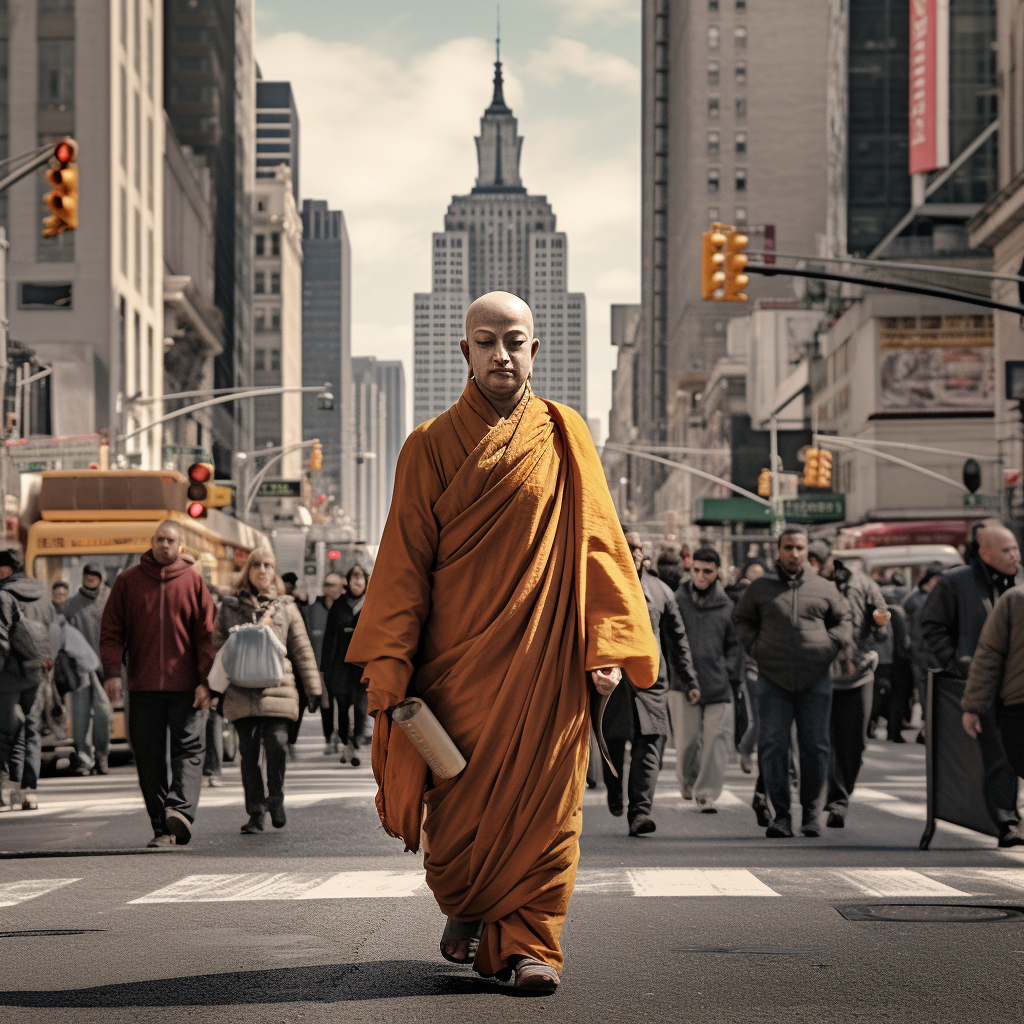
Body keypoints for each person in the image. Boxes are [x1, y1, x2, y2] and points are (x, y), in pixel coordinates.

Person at [345, 290, 658, 993]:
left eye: (514, 340)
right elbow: (402, 565)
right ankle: (467, 903)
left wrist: (605, 642)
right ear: (465, 351)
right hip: (455, 674)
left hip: (547, 666)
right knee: (455, 818)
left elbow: (600, 549)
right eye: (486, 341)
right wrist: (392, 663)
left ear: (535, 350)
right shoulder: (427, 446)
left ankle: (530, 945)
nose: (501, 354)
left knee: (549, 809)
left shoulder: (565, 433)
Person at [99, 519, 216, 848]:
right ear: (151, 543)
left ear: (181, 547)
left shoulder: (194, 582)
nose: (164, 545)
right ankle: (160, 827)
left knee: (190, 751)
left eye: (170, 540)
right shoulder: (128, 582)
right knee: (148, 757)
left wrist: (207, 682)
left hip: (187, 688)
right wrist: (111, 674)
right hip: (143, 686)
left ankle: (178, 811)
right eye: (159, 539)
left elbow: (207, 636)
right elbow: (111, 631)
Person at [733, 527, 853, 838]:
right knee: (773, 747)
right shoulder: (760, 588)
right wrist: (757, 649)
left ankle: (811, 815)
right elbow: (741, 619)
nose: (794, 554)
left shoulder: (824, 587)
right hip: (773, 681)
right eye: (789, 547)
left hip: (816, 680)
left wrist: (829, 647)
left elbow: (844, 620)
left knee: (815, 747)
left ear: (806, 551)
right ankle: (781, 817)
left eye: (799, 548)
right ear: (779, 550)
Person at [920, 520, 1024, 846]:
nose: (1015, 556)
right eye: (1006, 550)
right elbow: (932, 626)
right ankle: (1007, 822)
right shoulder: (956, 583)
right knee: (1001, 758)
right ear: (985, 552)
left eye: (1016, 548)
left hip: (1016, 687)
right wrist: (957, 661)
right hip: (981, 684)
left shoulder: (1019, 583)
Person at [212, 547, 321, 834]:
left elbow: (302, 649)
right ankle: (255, 812)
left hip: (278, 689)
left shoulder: (286, 606)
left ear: (274, 572)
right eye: (257, 565)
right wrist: (212, 688)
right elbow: (218, 648)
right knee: (248, 754)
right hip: (240, 689)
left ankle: (276, 797)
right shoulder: (230, 607)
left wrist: (314, 688)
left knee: (277, 744)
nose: (262, 570)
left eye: (268, 565)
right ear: (247, 571)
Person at [604, 533, 697, 833]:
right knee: (614, 743)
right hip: (612, 680)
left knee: (650, 744)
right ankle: (614, 792)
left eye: (639, 548)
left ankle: (640, 813)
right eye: (629, 547)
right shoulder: (600, 583)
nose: (635, 553)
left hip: (653, 681)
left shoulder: (661, 591)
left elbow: (678, 639)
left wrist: (689, 679)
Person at [807, 541, 889, 829]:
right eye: (809, 560)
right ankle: (829, 802)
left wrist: (881, 622)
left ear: (832, 559)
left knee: (853, 743)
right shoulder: (805, 586)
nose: (813, 566)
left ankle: (841, 798)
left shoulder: (862, 583)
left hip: (858, 675)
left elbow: (882, 630)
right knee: (820, 742)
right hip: (818, 676)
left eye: (818, 560)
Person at [672, 546, 738, 812]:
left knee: (716, 742)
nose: (701, 575)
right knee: (687, 742)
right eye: (696, 570)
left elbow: (735, 646)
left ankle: (707, 792)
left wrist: (729, 672)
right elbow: (669, 642)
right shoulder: (676, 600)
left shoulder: (727, 606)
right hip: (681, 682)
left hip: (717, 682)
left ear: (717, 572)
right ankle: (688, 783)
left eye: (707, 571)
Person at [0, 549, 57, 811]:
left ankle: (4, 788)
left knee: (5, 731)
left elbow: (1, 639)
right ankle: (28, 791)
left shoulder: (3, 593)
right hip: (37, 671)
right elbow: (53, 629)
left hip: (9, 674)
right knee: (31, 729)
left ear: (6, 569)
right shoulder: (43, 593)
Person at [962, 584, 1024, 785]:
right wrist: (973, 706)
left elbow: (990, 653)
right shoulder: (1015, 599)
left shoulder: (1015, 597)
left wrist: (973, 706)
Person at [62, 563, 113, 776]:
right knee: (80, 715)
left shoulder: (112, 599)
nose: (91, 579)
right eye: (88, 576)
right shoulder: (72, 604)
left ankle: (101, 756)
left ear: (101, 577)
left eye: (95, 575)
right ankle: (83, 757)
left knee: (103, 712)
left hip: (107, 666)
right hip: (81, 668)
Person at [321, 565, 370, 766]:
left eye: (361, 579)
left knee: (360, 707)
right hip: (340, 666)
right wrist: (324, 669)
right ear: (347, 582)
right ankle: (345, 741)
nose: (358, 582)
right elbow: (329, 638)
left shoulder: (372, 603)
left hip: (363, 666)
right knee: (341, 706)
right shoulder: (338, 606)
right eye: (354, 578)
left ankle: (356, 742)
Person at [303, 572, 345, 756]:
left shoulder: (346, 609)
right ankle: (329, 738)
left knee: (343, 704)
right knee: (326, 705)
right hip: (320, 666)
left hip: (343, 668)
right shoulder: (313, 611)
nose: (329, 588)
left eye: (333, 584)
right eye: (327, 584)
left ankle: (344, 738)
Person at [903, 562, 945, 743]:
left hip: (931, 654)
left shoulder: (918, 598)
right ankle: (928, 729)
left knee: (931, 694)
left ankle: (929, 729)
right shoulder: (917, 600)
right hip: (923, 655)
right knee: (926, 693)